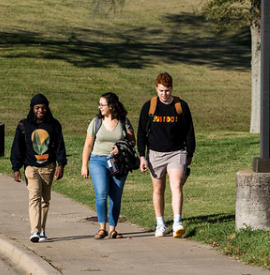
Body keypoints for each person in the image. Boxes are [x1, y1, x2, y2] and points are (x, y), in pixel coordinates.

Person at [137, 72, 196, 238]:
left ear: (172, 89)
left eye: (167, 90)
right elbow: (141, 133)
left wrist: (190, 151)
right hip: (155, 153)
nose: (164, 94)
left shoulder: (180, 106)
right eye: (161, 90)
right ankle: (160, 224)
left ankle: (177, 222)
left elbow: (189, 131)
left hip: (176, 152)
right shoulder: (150, 106)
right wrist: (142, 156)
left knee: (176, 185)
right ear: (156, 88)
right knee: (158, 189)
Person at [10, 93, 67, 243]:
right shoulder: (24, 126)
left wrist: (61, 165)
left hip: (48, 167)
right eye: (37, 108)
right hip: (31, 168)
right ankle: (34, 231)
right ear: (32, 109)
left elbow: (60, 146)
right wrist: (16, 168)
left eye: (43, 108)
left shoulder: (54, 125)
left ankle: (42, 231)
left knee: (45, 200)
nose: (40, 110)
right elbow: (17, 148)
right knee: (34, 196)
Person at [81, 92, 135, 239]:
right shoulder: (96, 122)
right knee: (101, 194)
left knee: (115, 197)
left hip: (118, 163)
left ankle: (112, 229)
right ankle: (101, 228)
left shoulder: (123, 121)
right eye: (99, 104)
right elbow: (88, 145)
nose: (100, 107)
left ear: (111, 106)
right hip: (98, 161)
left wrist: (120, 146)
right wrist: (84, 165)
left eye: (102, 105)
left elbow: (132, 141)